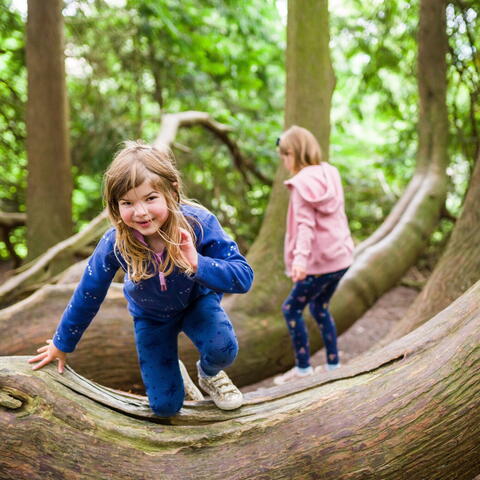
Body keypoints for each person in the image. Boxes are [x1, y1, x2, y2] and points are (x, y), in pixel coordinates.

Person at [29, 140, 253, 415]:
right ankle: (175, 375)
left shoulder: (199, 223)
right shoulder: (115, 243)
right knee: (165, 408)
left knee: (223, 349)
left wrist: (197, 263)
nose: (141, 212)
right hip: (152, 317)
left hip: (197, 303)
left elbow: (243, 277)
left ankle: (209, 374)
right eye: (127, 203)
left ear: (172, 191)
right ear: (115, 206)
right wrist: (62, 344)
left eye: (150, 198)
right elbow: (89, 291)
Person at [273, 126, 354, 385]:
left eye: (284, 155)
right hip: (340, 259)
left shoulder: (300, 185)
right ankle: (332, 365)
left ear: (293, 154)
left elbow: (305, 226)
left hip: (318, 264)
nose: (284, 162)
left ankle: (304, 368)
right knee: (319, 307)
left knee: (291, 308)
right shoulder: (330, 173)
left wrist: (299, 260)